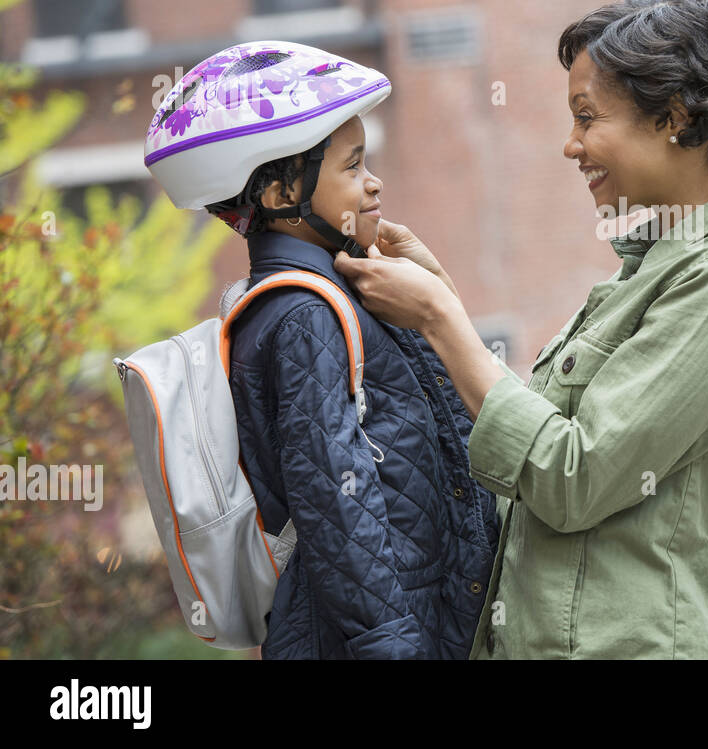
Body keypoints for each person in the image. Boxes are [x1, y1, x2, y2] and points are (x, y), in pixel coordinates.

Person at [334, 0, 708, 659]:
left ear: (672, 116)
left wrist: (442, 320)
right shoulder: (659, 266)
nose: (571, 145)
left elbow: (571, 476)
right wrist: (443, 301)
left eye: (588, 117)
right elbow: (547, 438)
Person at [144, 41, 499, 658]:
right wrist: (392, 648)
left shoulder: (348, 292)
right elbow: (338, 504)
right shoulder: (305, 316)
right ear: (283, 194)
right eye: (354, 166)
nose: (374, 182)